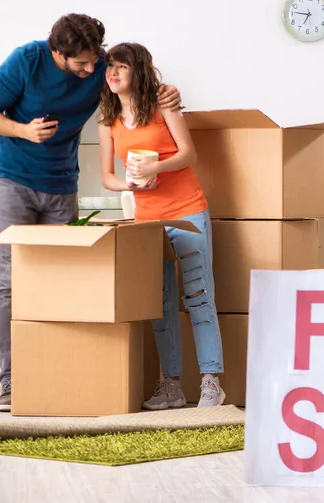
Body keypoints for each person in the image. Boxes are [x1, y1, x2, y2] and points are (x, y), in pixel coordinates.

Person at [0, 14, 183, 412]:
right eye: (82, 65)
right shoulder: (26, 61)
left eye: (95, 61)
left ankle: (56, 372)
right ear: (58, 53)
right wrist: (24, 130)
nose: (92, 71)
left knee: (63, 282)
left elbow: (133, 80)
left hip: (62, 186)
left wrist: (167, 89)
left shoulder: (98, 63)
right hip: (14, 180)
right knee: (8, 283)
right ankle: (12, 383)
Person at [98, 42, 225, 409]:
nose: (113, 73)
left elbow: (188, 153)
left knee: (198, 297)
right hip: (146, 219)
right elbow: (107, 177)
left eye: (121, 66)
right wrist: (130, 184)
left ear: (138, 70)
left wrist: (155, 168)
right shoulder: (108, 120)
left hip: (186, 212)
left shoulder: (162, 105)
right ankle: (171, 386)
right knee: (161, 302)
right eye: (110, 67)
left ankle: (211, 382)